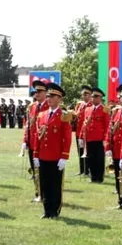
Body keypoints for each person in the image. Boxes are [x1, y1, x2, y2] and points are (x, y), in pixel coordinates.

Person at [34, 82, 74, 218]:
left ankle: (54, 210)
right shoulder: (42, 115)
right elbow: (38, 136)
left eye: (52, 96)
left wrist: (64, 157)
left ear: (59, 98)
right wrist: (36, 154)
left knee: (55, 185)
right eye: (48, 96)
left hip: (56, 156)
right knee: (44, 184)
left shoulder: (64, 115)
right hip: (43, 155)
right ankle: (46, 210)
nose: (49, 99)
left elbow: (67, 138)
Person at [22, 81, 49, 202]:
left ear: (45, 92)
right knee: (35, 170)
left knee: (44, 171)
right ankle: (38, 193)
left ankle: (45, 194)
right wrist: (25, 140)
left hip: (44, 144)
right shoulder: (32, 107)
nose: (36, 94)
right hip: (32, 143)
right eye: (35, 91)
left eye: (39, 91)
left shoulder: (48, 106)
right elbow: (28, 125)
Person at [83, 87, 109, 184]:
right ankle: (93, 177)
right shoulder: (88, 109)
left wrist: (105, 139)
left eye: (95, 96)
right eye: (92, 96)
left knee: (99, 159)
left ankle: (99, 177)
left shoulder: (104, 109)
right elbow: (84, 124)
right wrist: (82, 136)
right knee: (90, 158)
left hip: (99, 138)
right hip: (89, 137)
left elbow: (107, 125)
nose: (93, 98)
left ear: (100, 98)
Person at [74, 85, 93, 176]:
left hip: (87, 132)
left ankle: (87, 170)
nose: (84, 96)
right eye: (83, 95)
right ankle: (82, 170)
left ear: (90, 95)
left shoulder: (92, 105)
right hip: (79, 131)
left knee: (87, 151)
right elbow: (77, 115)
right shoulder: (80, 105)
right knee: (80, 151)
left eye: (86, 94)